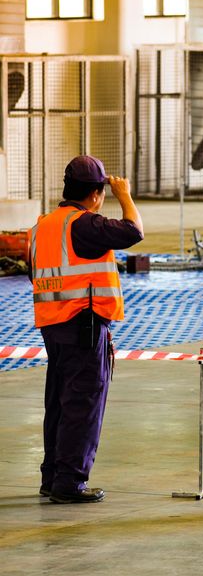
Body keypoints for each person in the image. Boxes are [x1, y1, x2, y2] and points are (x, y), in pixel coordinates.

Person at [28, 155, 144, 504]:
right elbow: (134, 231)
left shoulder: (42, 226)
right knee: (83, 403)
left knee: (60, 403)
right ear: (96, 193)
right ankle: (69, 482)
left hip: (53, 325)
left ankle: (53, 477)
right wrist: (124, 194)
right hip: (84, 324)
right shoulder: (85, 225)